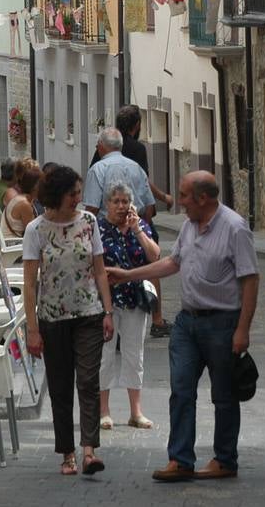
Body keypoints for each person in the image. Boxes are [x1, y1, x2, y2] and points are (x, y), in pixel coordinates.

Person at [105, 171, 258, 483]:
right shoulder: (190, 225)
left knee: (224, 395)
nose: (180, 203)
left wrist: (243, 330)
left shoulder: (235, 228)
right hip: (188, 323)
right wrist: (128, 274)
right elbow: (173, 263)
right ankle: (180, 459)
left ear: (202, 198)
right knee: (182, 391)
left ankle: (225, 459)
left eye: (185, 196)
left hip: (222, 322)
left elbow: (251, 280)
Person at [21, 165, 115, 476]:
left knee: (88, 381)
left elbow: (99, 269)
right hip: (52, 318)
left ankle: (90, 451)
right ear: (58, 195)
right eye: (73, 193)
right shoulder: (36, 230)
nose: (79, 197)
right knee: (61, 388)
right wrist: (32, 330)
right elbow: (30, 283)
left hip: (88, 313)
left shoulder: (89, 222)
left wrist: (108, 311)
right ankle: (67, 453)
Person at [92, 105, 175, 338]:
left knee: (107, 267)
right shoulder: (137, 150)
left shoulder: (101, 155)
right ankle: (156, 318)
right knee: (151, 267)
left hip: (106, 222)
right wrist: (147, 220)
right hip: (133, 218)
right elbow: (145, 185)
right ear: (136, 126)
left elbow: (90, 200)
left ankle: (110, 310)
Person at [97, 182, 160, 430]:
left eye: (125, 202)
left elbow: (154, 256)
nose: (121, 206)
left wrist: (137, 231)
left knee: (135, 355)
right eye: (116, 202)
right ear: (107, 205)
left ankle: (136, 411)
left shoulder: (140, 226)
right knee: (105, 356)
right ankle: (104, 410)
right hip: (107, 301)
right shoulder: (99, 230)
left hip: (135, 300)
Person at [82, 127, 154, 218]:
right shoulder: (136, 167)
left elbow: (92, 208)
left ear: (101, 145)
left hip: (108, 227)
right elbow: (149, 206)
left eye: (97, 146)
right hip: (135, 224)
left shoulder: (98, 169)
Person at [1, 159, 41, 239]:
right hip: (14, 247)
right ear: (34, 187)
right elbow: (34, 234)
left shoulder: (21, 198)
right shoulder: (24, 204)